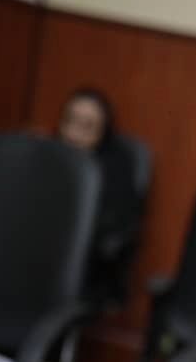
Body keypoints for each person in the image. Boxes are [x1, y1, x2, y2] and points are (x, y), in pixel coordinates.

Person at [56, 87, 142, 304]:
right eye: (70, 121)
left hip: (85, 264)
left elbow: (113, 227)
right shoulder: (50, 157)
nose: (74, 135)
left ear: (102, 132)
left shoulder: (115, 169)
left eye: (87, 127)